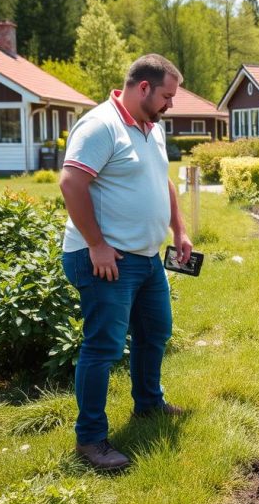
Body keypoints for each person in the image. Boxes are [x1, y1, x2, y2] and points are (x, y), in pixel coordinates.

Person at [59, 54, 192, 470]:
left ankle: (149, 404)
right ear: (144, 88)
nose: (172, 104)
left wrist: (179, 230)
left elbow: (163, 181)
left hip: (147, 258)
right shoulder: (101, 126)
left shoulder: (153, 128)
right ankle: (91, 439)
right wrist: (96, 244)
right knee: (104, 347)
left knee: (156, 333)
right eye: (168, 96)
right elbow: (71, 182)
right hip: (107, 259)